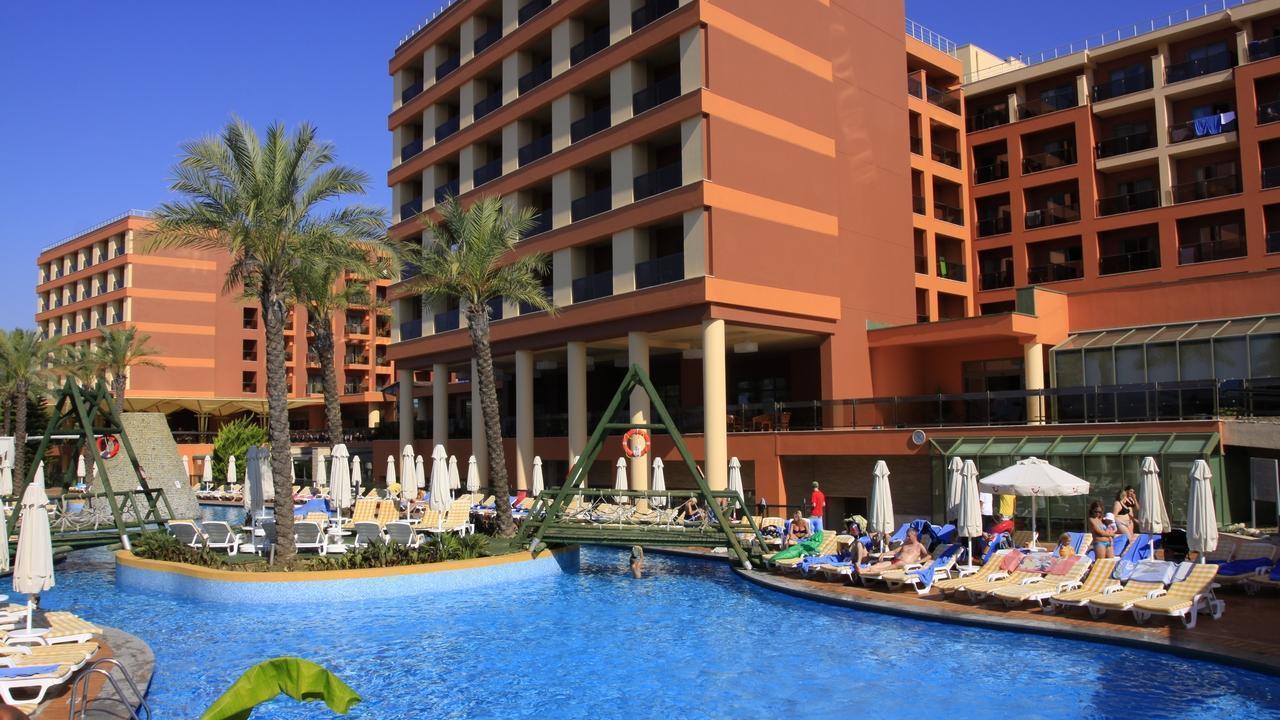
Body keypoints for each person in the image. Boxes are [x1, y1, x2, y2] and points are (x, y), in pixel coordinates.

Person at [861, 527, 929, 574]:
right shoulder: (905, 544)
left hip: (906, 565)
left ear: (914, 536)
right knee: (879, 564)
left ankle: (878, 570)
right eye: (907, 536)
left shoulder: (919, 546)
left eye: (909, 536)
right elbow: (894, 552)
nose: (907, 537)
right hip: (895, 561)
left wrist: (919, 561)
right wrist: (884, 554)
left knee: (899, 563)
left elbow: (928, 556)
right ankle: (864, 570)